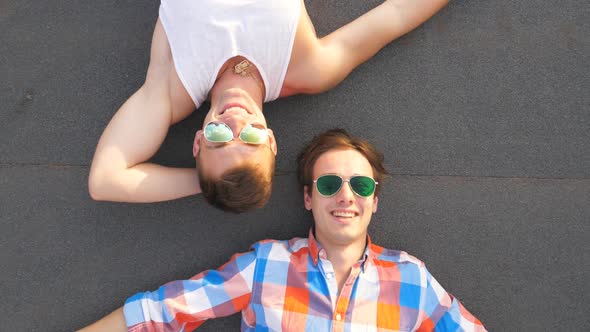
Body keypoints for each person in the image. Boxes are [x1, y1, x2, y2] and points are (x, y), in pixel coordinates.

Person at [80, 129, 486, 331]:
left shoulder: (412, 278)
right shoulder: (266, 264)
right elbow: (160, 313)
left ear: (374, 200)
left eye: (360, 185)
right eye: (329, 184)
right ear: (309, 197)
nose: (346, 196)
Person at [88, 0, 450, 213]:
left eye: (218, 136)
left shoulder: (170, 86)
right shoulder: (308, 69)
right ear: (272, 140)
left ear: (197, 141)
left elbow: (105, 180)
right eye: (250, 137)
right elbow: (397, 15)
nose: (234, 121)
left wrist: (206, 184)